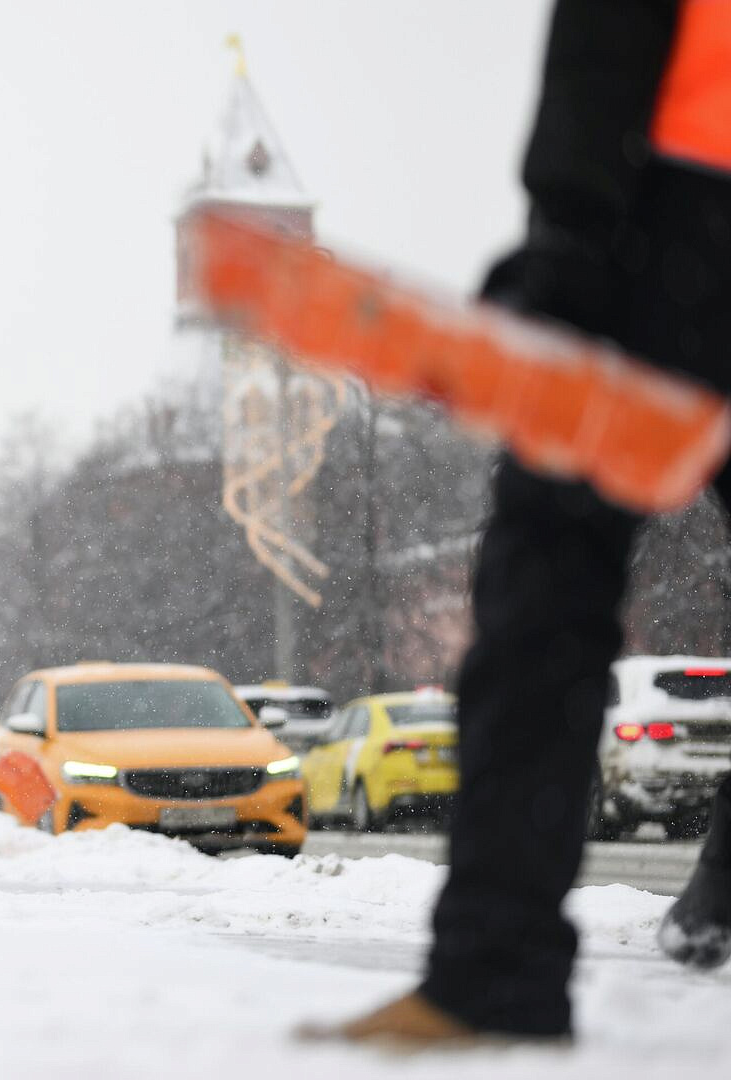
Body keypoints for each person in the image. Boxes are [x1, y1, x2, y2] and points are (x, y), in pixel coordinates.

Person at [317, 0, 731, 1044]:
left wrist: (572, 222)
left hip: (688, 202)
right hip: (685, 183)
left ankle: (493, 971)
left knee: (552, 579)